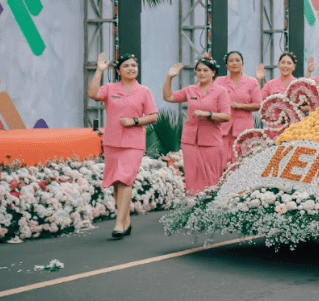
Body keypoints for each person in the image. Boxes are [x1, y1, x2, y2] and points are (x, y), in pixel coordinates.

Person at [87, 53, 158, 238]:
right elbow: (93, 94)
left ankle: (118, 223)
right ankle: (126, 221)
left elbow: (153, 115)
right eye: (126, 66)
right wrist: (99, 70)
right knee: (116, 182)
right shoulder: (110, 88)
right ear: (119, 70)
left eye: (134, 65)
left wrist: (135, 121)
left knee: (126, 179)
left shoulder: (144, 91)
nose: (131, 69)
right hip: (112, 141)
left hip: (133, 142)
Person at [164, 57, 231, 195]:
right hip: (190, 140)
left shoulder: (220, 91)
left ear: (213, 73)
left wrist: (208, 114)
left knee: (211, 178)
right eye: (199, 70)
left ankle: (209, 210)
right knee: (192, 178)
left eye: (205, 70)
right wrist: (170, 77)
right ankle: (192, 208)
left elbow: (226, 115)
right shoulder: (191, 90)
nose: (201, 73)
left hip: (211, 140)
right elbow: (168, 97)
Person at [215, 51, 262, 165]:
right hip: (223, 127)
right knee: (221, 161)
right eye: (231, 61)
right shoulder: (219, 82)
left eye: (237, 60)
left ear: (243, 64)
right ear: (226, 65)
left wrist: (239, 106)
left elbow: (258, 104)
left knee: (242, 161)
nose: (234, 63)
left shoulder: (251, 82)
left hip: (244, 128)